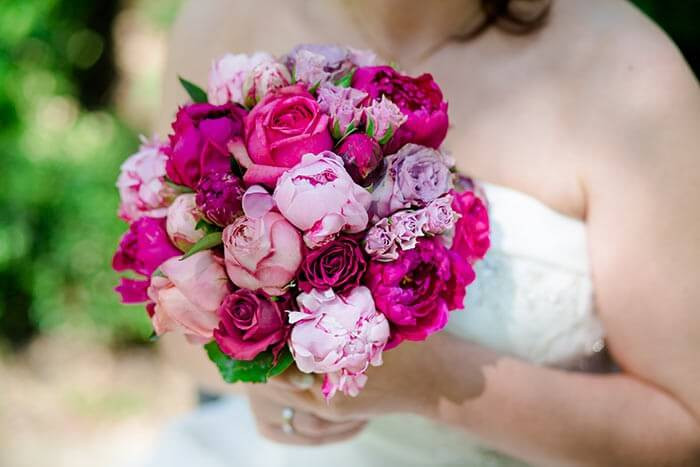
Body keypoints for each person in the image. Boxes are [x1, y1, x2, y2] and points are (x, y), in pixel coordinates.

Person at [148, 0, 700, 465]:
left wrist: (434, 383)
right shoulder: (223, 18)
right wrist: (275, 384)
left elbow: (685, 429)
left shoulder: (626, 73)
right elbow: (172, 314)